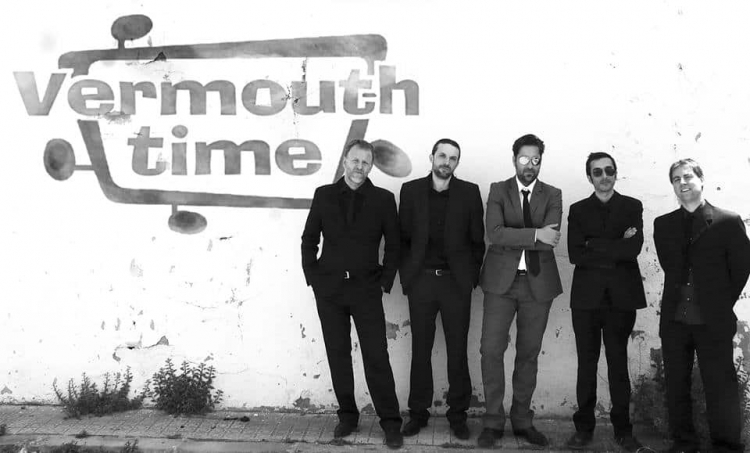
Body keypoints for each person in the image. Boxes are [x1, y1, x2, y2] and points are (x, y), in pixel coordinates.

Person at [300, 139, 403, 449]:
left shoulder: (383, 199)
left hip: (365, 290)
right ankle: (347, 416)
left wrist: (384, 282)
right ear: (345, 160)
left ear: (371, 166)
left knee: (376, 357)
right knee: (338, 355)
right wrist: (314, 278)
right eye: (355, 160)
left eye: (365, 162)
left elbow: (394, 244)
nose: (360, 167)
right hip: (330, 291)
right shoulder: (324, 195)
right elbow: (309, 240)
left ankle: (390, 423)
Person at [654, 158, 750, 453]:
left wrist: (719, 302)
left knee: (720, 385)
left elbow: (741, 268)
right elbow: (670, 267)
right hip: (675, 319)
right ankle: (684, 443)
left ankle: (726, 446)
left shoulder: (727, 221)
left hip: (713, 320)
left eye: (687, 177)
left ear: (701, 179)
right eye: (676, 179)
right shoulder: (663, 224)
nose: (682, 183)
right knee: (676, 384)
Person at [477, 133, 563, 448]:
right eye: (525, 158)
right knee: (491, 350)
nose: (530, 165)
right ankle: (493, 421)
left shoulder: (553, 194)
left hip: (537, 284)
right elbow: (495, 233)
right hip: (500, 283)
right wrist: (535, 234)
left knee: (528, 353)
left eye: (536, 159)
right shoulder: (498, 190)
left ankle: (522, 421)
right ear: (514, 159)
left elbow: (551, 239)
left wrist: (525, 235)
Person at [398, 138, 485, 440]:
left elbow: (477, 241)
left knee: (457, 351)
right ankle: (417, 414)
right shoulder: (410, 191)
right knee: (420, 351)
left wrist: (469, 278)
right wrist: (408, 277)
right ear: (432, 157)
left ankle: (458, 416)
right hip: (421, 282)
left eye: (453, 158)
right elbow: (402, 238)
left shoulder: (469, 192)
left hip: (455, 283)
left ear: (457, 163)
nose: (447, 162)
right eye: (442, 155)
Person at [564, 152, 646, 451]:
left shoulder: (632, 206)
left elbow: (633, 249)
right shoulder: (578, 209)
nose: (604, 176)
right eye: (597, 172)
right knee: (586, 365)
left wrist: (594, 244)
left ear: (616, 173)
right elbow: (575, 254)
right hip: (586, 299)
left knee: (618, 364)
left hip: (621, 298)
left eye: (609, 170)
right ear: (589, 177)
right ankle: (584, 429)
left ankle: (623, 430)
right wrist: (616, 244)